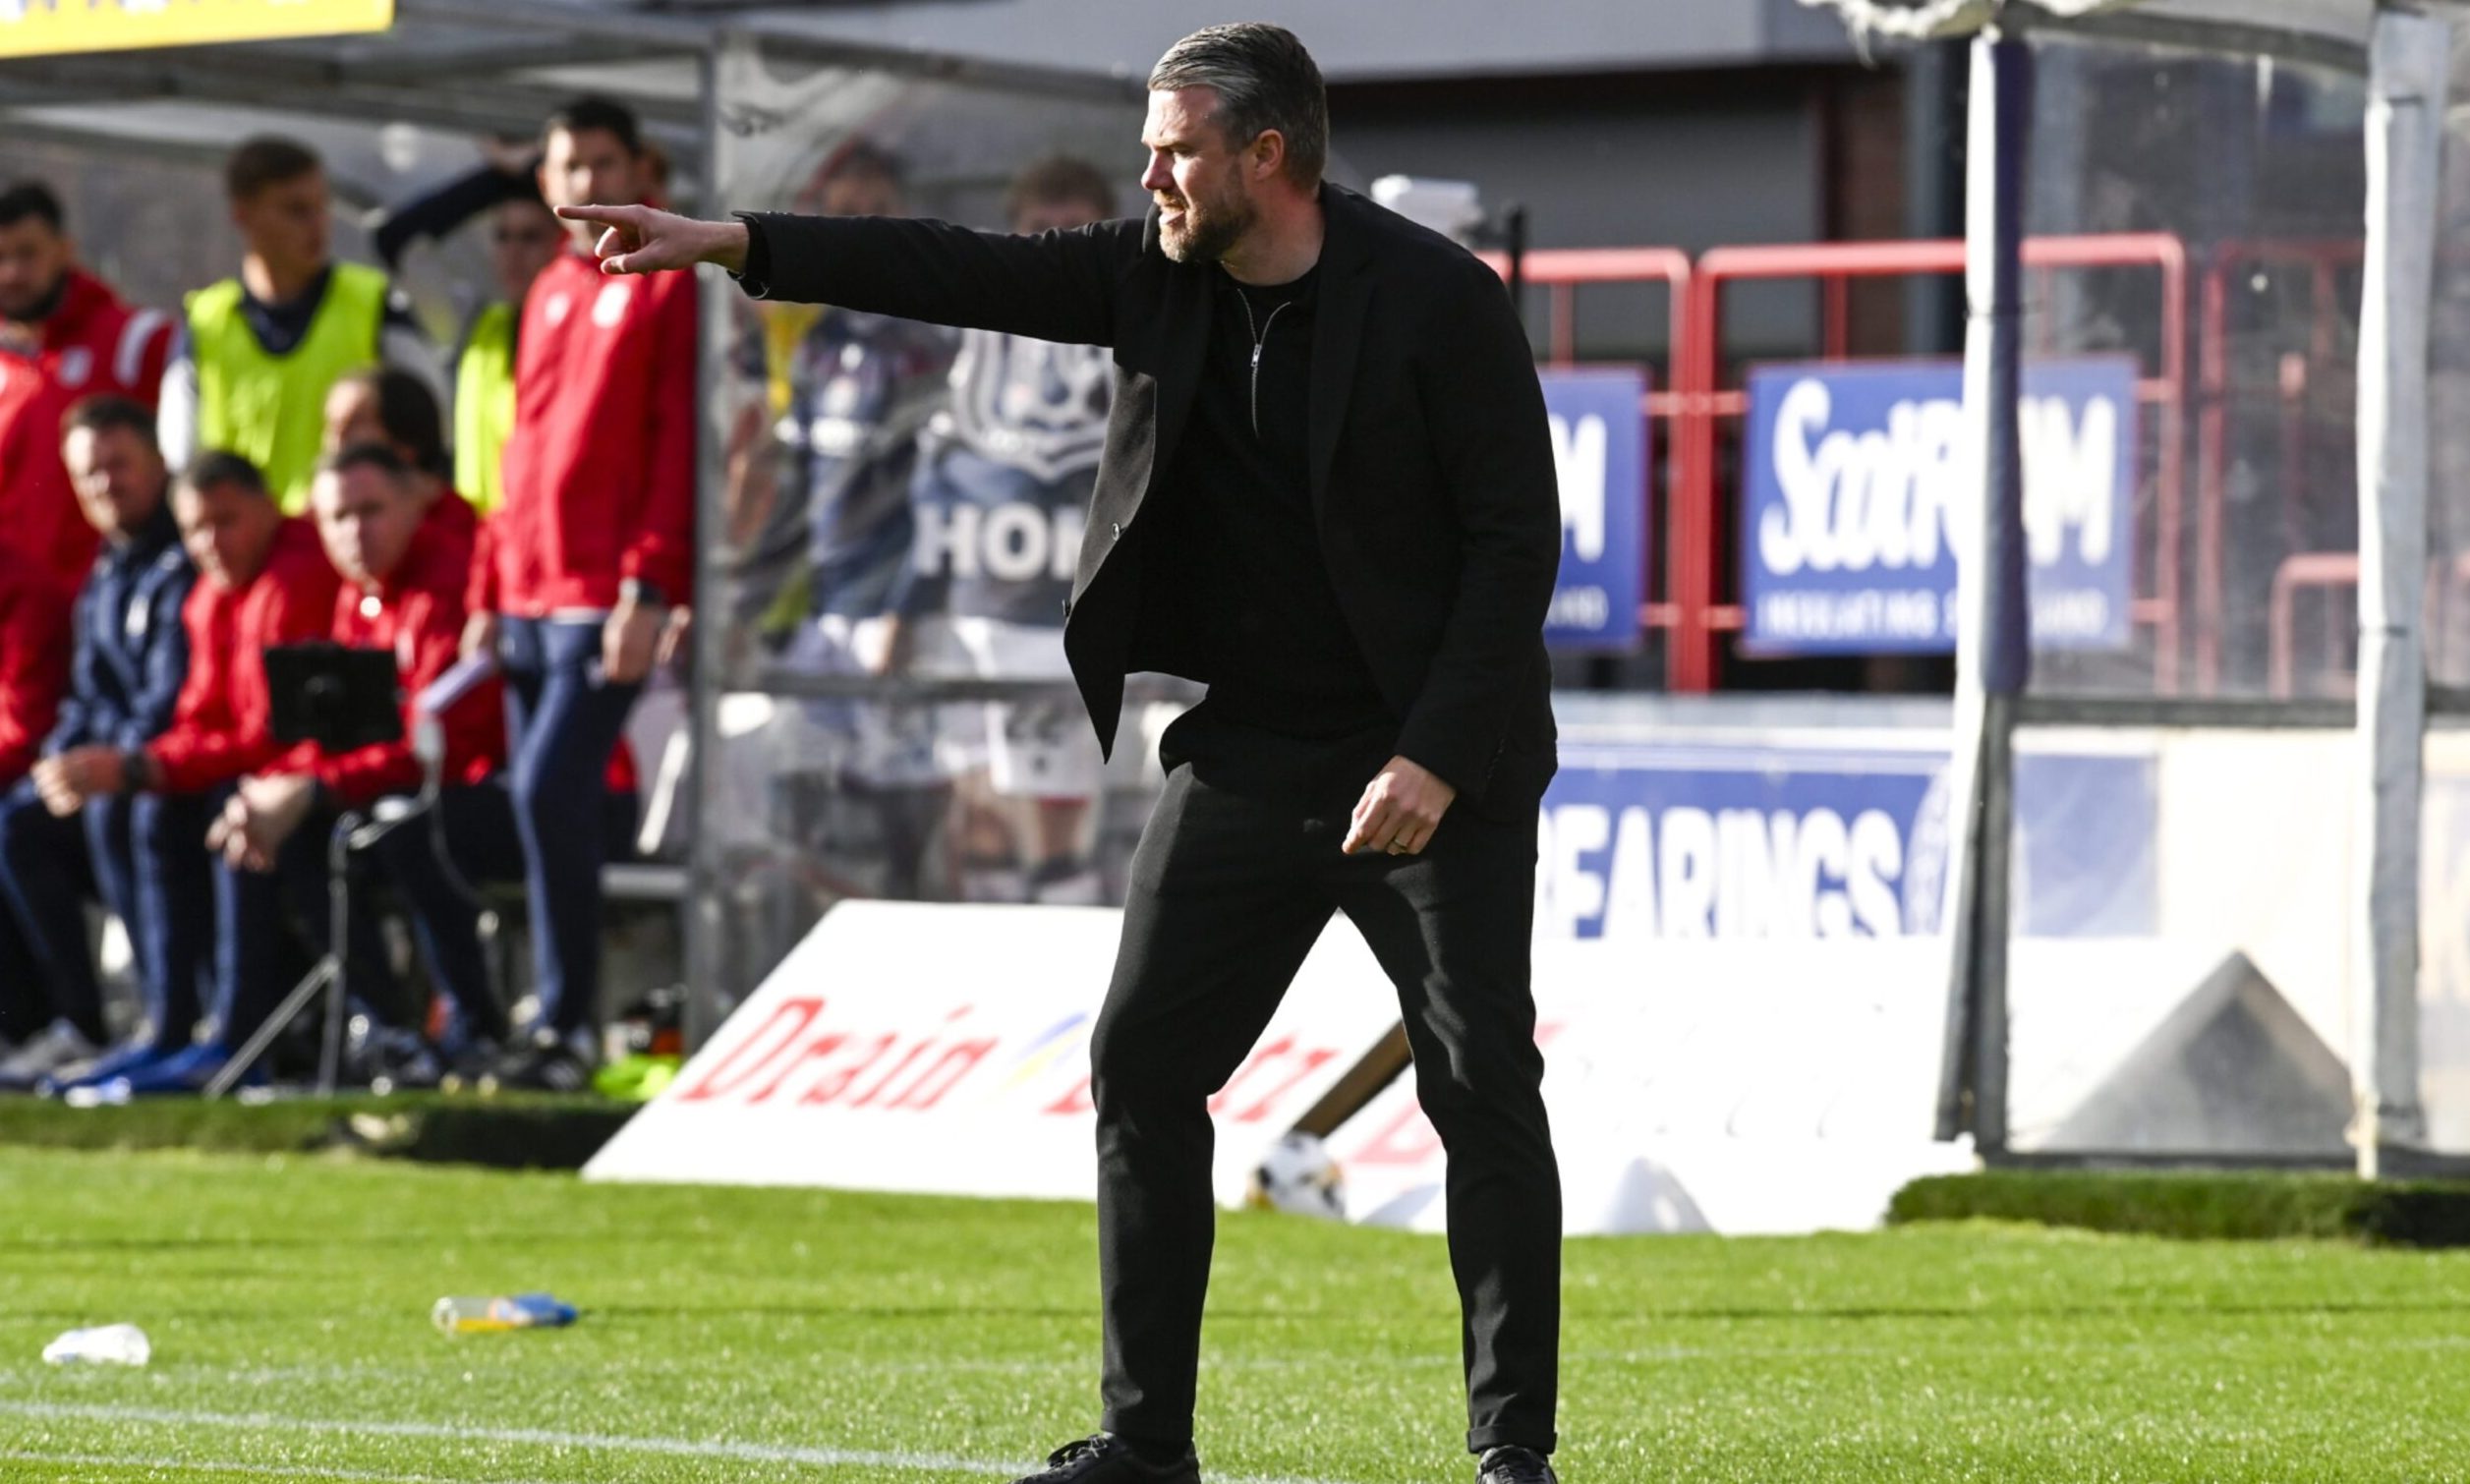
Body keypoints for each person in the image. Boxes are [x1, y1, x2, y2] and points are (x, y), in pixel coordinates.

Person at [561, 23, 1566, 1484]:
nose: (1148, 173)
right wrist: (731, 239)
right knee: (1140, 1063)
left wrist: (1431, 759)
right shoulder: (1153, 274)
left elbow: (1509, 548)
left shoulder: (1435, 299)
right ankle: (1148, 1445)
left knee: (1481, 1088)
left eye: (1174, 148)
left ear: (1264, 155)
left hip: (1431, 762)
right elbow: (955, 264)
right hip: (1252, 753)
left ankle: (1510, 1451)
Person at [116, 446, 515, 1098]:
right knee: (276, 826)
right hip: (401, 791)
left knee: (385, 833)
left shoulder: (443, 585)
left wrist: (311, 785)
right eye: (338, 517)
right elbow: (328, 733)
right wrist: (284, 786)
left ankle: (472, 1032)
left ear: (415, 502)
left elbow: (441, 737)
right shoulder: (355, 600)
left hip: (486, 792)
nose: (356, 531)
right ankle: (373, 1030)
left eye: (372, 511)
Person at [463, 95, 695, 1091]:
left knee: (552, 789)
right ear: (546, 177)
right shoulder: (550, 286)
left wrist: (649, 586)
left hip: (603, 599)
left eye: (605, 163)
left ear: (636, 169)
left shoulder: (660, 283)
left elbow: (670, 444)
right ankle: (536, 1018)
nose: (588, 183)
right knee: (534, 802)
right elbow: (520, 451)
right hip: (525, 594)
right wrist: (490, 580)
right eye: (570, 165)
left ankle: (565, 1023)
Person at [884, 155, 1120, 904]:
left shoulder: (1133, 337)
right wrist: (905, 604)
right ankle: (988, 983)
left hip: (1062, 620)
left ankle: (1069, 970)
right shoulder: (971, 335)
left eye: (1071, 229)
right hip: (974, 602)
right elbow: (932, 473)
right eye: (1036, 230)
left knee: (1054, 813)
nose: (1052, 246)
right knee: (977, 805)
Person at [81, 451, 340, 1092]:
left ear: (266, 510)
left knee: (230, 810)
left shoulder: (291, 579)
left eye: (227, 522)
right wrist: (151, 768)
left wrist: (147, 765)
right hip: (259, 773)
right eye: (196, 528)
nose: (211, 542)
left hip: (313, 777)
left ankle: (239, 1035)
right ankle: (171, 1023)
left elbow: (269, 734)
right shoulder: (212, 592)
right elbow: (202, 715)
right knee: (148, 811)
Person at [0, 397, 197, 1092]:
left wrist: (104, 759)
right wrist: (63, 758)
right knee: (19, 821)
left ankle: (168, 1018)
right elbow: (85, 696)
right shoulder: (107, 574)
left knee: (121, 807)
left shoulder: (186, 559)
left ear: (159, 463)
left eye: (120, 465)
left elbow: (172, 694)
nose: (107, 485)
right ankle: (72, 1023)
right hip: (111, 764)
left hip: (173, 771)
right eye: (90, 475)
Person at [158, 136, 445, 514]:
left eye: (322, 207)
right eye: (296, 211)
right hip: (248, 554)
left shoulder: (374, 305)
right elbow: (180, 456)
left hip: (349, 537)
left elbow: (433, 424)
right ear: (244, 215)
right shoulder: (205, 323)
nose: (318, 225)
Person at [0, 181, 175, 591]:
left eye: (27, 254)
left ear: (65, 250)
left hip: (113, 603)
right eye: (0, 257)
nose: (11, 273)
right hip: (18, 624)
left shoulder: (136, 341)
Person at [371, 144, 563, 516]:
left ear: (561, 243)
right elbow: (394, 238)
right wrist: (497, 180)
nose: (513, 252)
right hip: (485, 550)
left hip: (552, 544)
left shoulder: (585, 328)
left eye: (530, 237)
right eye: (502, 237)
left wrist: (537, 176)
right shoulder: (476, 325)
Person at [0, 544, 72, 1060]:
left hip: (41, 773)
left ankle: (59, 1022)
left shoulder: (23, 589)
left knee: (15, 828)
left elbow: (22, 726)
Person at [321, 365, 478, 557]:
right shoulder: (314, 536)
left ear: (407, 440)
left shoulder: (455, 543)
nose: (338, 439)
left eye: (355, 422)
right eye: (331, 425)